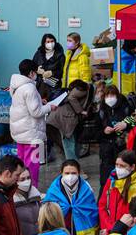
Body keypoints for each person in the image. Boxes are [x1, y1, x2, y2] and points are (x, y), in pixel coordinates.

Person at [9, 59, 54, 187]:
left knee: (21, 165)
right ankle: (31, 190)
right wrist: (50, 107)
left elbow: (25, 106)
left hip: (20, 134)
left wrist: (40, 102)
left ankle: (20, 188)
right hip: (32, 135)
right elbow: (36, 112)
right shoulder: (30, 88)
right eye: (35, 72)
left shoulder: (16, 86)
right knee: (32, 166)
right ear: (31, 73)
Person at [98, 149, 136, 234]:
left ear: (132, 167)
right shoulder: (113, 178)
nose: (118, 169)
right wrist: (109, 228)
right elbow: (102, 205)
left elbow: (134, 219)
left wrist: (114, 231)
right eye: (116, 165)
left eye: (122, 166)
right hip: (111, 230)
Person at [46, 79, 91, 163]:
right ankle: (73, 167)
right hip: (65, 118)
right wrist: (80, 111)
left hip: (59, 117)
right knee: (69, 144)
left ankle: (72, 166)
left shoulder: (74, 90)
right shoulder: (84, 90)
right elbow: (71, 97)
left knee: (69, 144)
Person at [96, 83, 133, 179]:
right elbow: (96, 132)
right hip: (106, 150)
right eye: (107, 95)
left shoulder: (126, 107)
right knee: (106, 179)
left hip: (123, 148)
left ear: (117, 95)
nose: (109, 98)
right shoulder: (101, 110)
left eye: (112, 95)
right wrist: (104, 131)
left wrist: (126, 124)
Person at [32, 33, 64, 97]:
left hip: (54, 86)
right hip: (40, 85)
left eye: (52, 41)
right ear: (44, 43)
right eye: (48, 42)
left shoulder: (60, 55)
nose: (50, 43)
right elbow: (32, 65)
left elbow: (63, 71)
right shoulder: (39, 53)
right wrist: (36, 70)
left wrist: (52, 73)